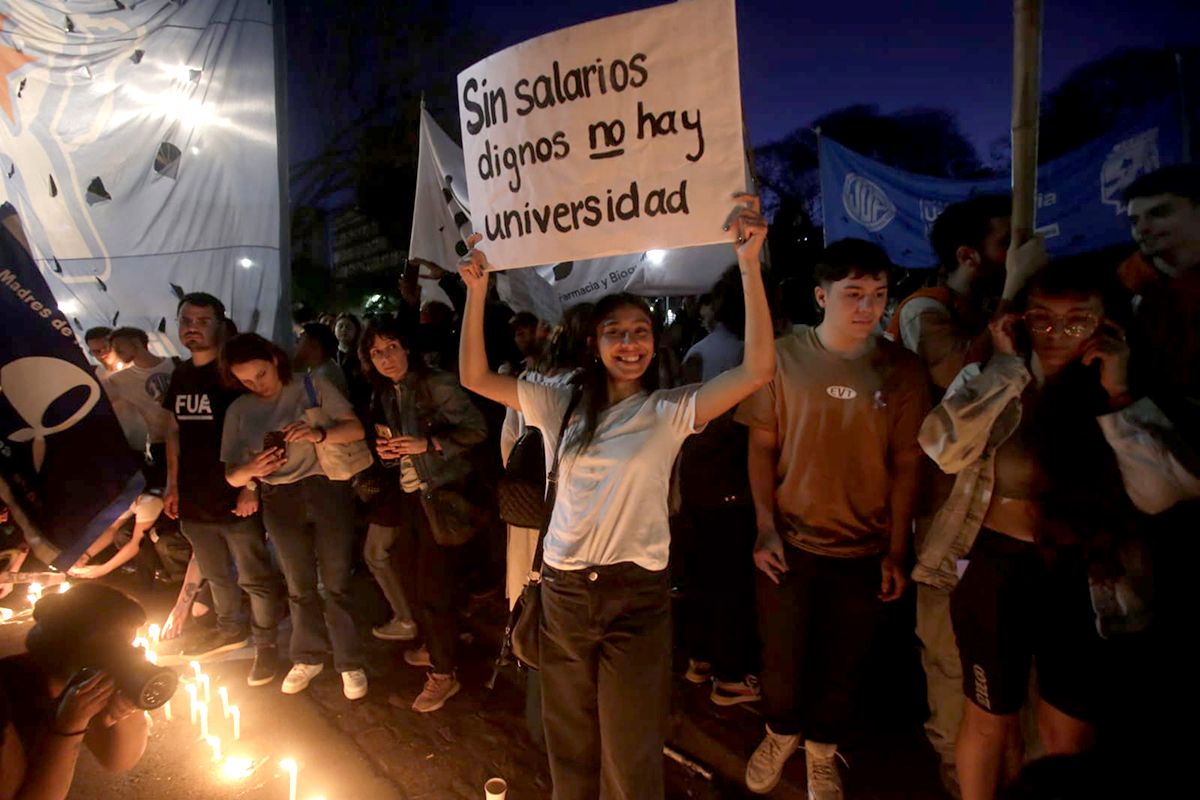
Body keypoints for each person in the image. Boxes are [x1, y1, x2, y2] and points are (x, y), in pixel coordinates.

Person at [458, 193, 775, 799]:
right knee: (570, 745)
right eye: (615, 333)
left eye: (641, 332)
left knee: (631, 752)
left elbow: (757, 370)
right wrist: (478, 292)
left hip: (637, 597)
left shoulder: (669, 410)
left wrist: (749, 264)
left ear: (654, 341)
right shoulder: (560, 402)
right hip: (566, 592)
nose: (630, 344)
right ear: (594, 345)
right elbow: (475, 377)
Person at [917, 260, 1200, 800]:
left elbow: (1161, 494)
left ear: (1107, 327)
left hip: (1086, 574)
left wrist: (1118, 396)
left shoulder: (1130, 390)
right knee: (986, 713)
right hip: (995, 565)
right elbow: (942, 447)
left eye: (1076, 322)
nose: (1055, 335)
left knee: (1069, 730)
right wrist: (1003, 368)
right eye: (1042, 319)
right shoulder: (997, 375)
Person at [737, 239, 931, 798]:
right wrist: (765, 525)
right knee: (781, 658)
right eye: (854, 294)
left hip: (864, 547)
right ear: (822, 296)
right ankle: (780, 733)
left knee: (844, 662)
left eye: (878, 294)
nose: (868, 306)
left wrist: (897, 549)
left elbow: (907, 463)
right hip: (790, 541)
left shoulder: (902, 370)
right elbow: (761, 446)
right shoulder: (782, 357)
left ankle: (823, 749)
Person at [220, 333, 369, 701]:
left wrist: (318, 434)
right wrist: (252, 468)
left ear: (274, 359)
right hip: (278, 497)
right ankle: (307, 656)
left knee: (335, 581)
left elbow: (356, 428)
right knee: (298, 583)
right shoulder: (239, 410)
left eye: (261, 373)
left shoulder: (310, 385)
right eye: (246, 380)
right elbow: (232, 475)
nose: (257, 384)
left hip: (326, 488)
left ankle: (349, 661)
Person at [358, 316, 488, 712]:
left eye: (391, 347)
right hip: (412, 496)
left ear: (407, 347)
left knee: (434, 589)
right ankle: (436, 647)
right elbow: (398, 442)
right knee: (413, 577)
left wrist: (427, 444)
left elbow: (477, 430)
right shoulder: (386, 392)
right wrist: (388, 452)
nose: (386, 357)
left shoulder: (437, 383)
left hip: (442, 497)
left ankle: (444, 675)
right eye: (376, 352)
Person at [160, 293, 283, 687]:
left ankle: (267, 646)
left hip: (234, 494)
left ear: (220, 325)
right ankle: (230, 629)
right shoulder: (180, 375)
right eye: (186, 319)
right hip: (194, 496)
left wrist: (251, 488)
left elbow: (258, 432)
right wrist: (172, 485)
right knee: (215, 574)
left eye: (202, 319)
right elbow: (174, 432)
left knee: (254, 576)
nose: (192, 326)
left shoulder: (233, 374)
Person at [677, 265, 762, 706]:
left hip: (697, 481)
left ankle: (701, 657)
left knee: (703, 573)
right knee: (732, 580)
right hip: (735, 483)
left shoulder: (700, 350)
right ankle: (730, 675)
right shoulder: (755, 355)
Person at [0, 583, 149, 800]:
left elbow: (117, 760)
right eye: (120, 649)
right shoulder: (6, 696)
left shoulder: (78, 681)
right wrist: (68, 728)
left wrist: (130, 706)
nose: (129, 656)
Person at [106, 327, 176, 490]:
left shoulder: (176, 365)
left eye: (119, 346)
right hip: (159, 444)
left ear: (137, 342)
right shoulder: (119, 380)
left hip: (185, 439)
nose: (116, 351)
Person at [296, 322, 350, 399]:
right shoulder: (322, 368)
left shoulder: (323, 377)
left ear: (314, 344)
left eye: (300, 339)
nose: (296, 343)